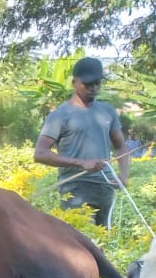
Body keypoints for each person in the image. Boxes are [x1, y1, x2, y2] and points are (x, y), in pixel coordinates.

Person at [34, 56, 130, 226]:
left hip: (105, 187)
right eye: (88, 84)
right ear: (74, 82)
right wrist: (81, 163)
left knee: (104, 241)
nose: (93, 88)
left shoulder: (107, 111)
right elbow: (40, 154)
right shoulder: (60, 115)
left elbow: (121, 146)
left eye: (97, 83)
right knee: (81, 243)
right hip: (76, 188)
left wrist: (123, 174)